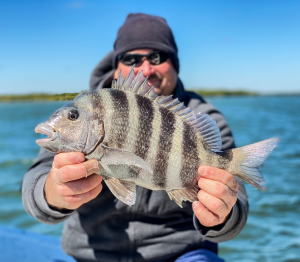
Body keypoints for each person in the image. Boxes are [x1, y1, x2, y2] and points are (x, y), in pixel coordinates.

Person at [23, 13, 248, 262]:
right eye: (132, 59)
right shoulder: (88, 108)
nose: (146, 68)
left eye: (156, 57)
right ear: (116, 64)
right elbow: (35, 183)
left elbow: (237, 209)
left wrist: (223, 215)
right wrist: (53, 192)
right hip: (89, 254)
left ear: (174, 63)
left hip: (181, 253)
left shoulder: (203, 117)